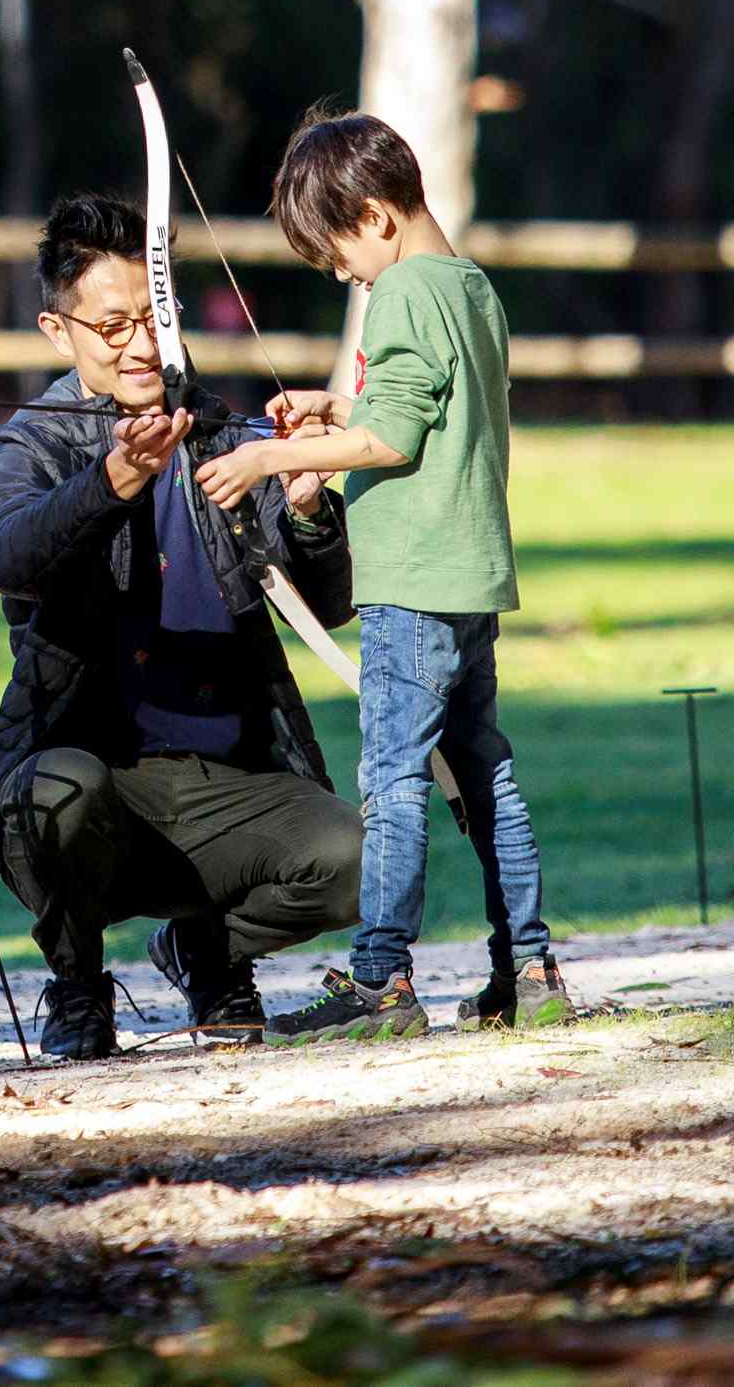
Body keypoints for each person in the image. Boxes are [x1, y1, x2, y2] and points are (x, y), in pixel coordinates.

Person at [0, 195, 365, 1061]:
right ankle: (76, 985)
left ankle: (208, 951)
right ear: (56, 328)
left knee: (354, 854)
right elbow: (8, 554)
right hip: (94, 775)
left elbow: (326, 601)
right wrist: (111, 479)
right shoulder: (26, 446)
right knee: (52, 795)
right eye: (113, 326)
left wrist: (304, 502)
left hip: (226, 775)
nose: (143, 344)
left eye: (156, 315)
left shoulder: (220, 426)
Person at [237, 107, 566, 1041]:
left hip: (413, 583)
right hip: (468, 577)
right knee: (483, 772)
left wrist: (268, 462)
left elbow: (393, 435)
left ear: (377, 215)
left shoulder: (402, 290)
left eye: (339, 251)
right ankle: (530, 966)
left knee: (392, 779)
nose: (343, 272)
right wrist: (332, 403)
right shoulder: (468, 284)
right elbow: (425, 403)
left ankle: (380, 978)